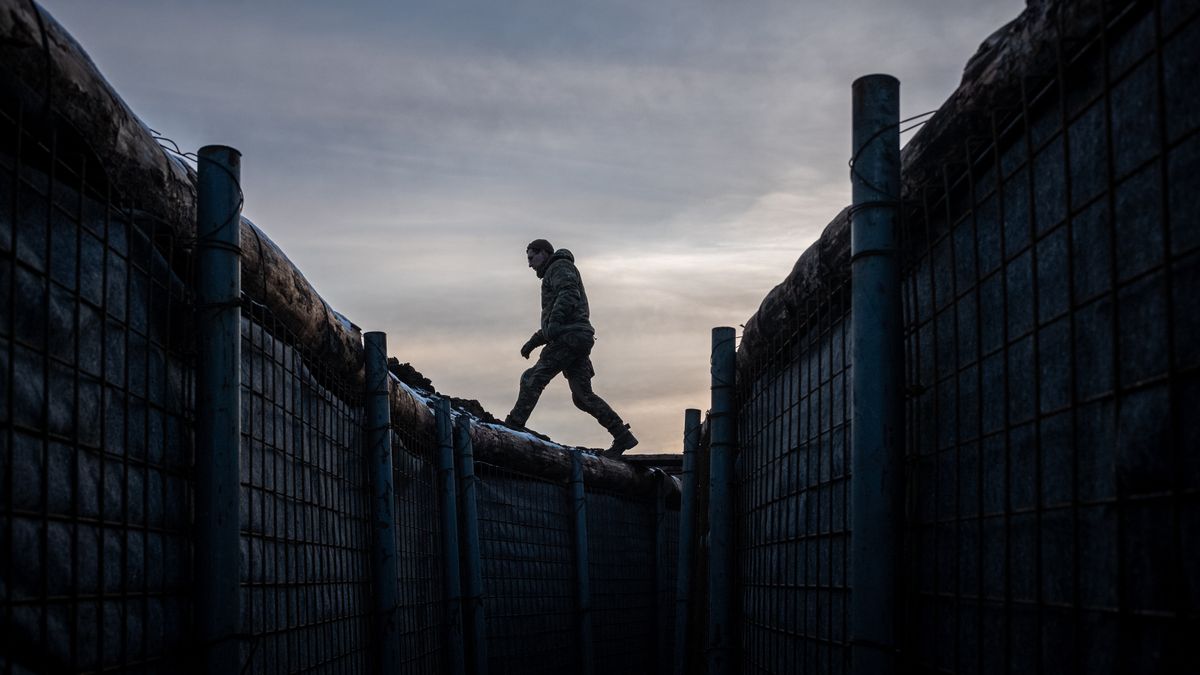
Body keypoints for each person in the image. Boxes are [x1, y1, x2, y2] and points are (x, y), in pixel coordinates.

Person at [504, 239, 639, 457]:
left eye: (532, 257)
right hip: (577, 336)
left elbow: (568, 294)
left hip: (570, 337)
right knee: (582, 396)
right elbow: (554, 321)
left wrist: (555, 323)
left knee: (532, 378)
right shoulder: (556, 270)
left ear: (545, 253)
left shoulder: (559, 267)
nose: (529, 264)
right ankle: (622, 435)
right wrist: (535, 341)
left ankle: (513, 424)